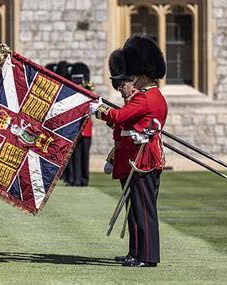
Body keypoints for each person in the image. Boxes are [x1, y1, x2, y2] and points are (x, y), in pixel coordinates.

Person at [90, 35, 167, 267]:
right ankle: (136, 252)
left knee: (144, 210)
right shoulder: (147, 96)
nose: (133, 80)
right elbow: (126, 121)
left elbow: (120, 116)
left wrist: (100, 110)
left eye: (135, 76)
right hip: (136, 157)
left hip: (143, 160)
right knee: (134, 209)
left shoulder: (146, 98)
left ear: (143, 75)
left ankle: (148, 256)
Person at [68, 62, 93, 186]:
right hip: (75, 128)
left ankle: (84, 179)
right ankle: (76, 179)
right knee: (75, 156)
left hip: (86, 128)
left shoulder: (89, 90)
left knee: (84, 155)